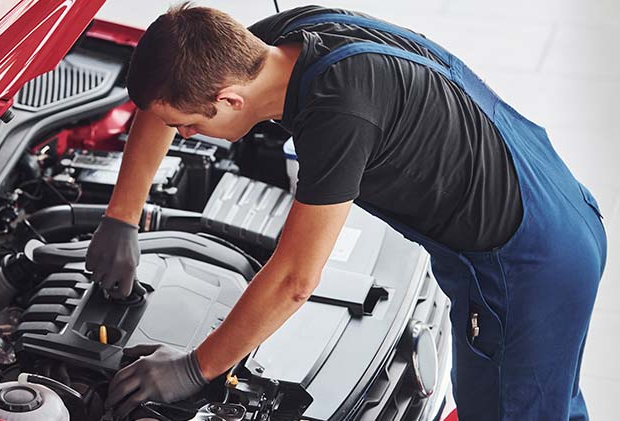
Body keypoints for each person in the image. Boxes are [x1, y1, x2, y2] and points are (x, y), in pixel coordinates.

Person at [85, 3, 607, 420]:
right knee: (551, 406)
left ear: (230, 101)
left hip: (524, 268)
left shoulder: (337, 112)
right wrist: (121, 216)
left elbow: (294, 279)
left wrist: (194, 369)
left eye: (190, 128)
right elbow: (164, 100)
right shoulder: (278, 44)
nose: (184, 137)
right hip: (555, 204)